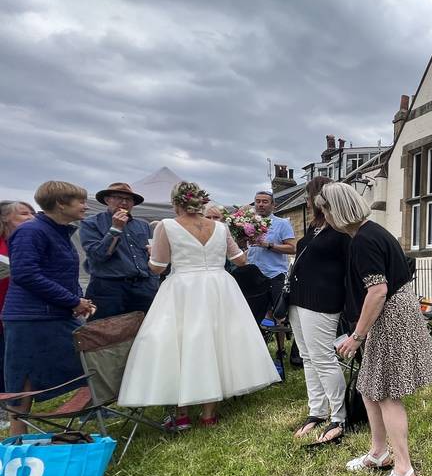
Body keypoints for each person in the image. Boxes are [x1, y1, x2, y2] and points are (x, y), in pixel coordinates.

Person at [118, 182, 279, 429]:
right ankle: (208, 414)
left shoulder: (166, 226)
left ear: (176, 203)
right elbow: (241, 259)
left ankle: (182, 414)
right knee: (217, 342)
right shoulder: (220, 227)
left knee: (180, 344)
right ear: (200, 202)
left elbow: (158, 267)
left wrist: (152, 254)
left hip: (183, 288)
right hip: (219, 287)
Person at [318, 183, 432, 476]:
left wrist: (357, 336)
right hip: (390, 313)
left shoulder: (364, 240)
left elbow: (378, 291)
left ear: (337, 210)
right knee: (369, 387)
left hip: (391, 315)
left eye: (325, 210)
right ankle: (379, 453)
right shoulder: (369, 233)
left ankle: (404, 469)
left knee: (386, 392)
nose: (324, 216)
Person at [3, 182, 93, 435]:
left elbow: (64, 274)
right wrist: (72, 301)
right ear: (61, 204)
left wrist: (77, 300)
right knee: (23, 377)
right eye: (80, 201)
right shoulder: (31, 232)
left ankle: (77, 419)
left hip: (56, 313)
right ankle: (17, 437)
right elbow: (26, 274)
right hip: (29, 317)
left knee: (88, 363)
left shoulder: (59, 232)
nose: (85, 206)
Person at [287, 177, 351, 442]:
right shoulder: (315, 227)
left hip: (322, 300)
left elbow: (349, 269)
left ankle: (339, 416)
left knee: (323, 357)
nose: (305, 200)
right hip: (299, 298)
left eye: (307, 195)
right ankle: (317, 411)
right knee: (308, 357)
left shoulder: (340, 229)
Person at [79, 182, 158, 321]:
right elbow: (98, 256)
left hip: (142, 289)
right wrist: (115, 229)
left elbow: (150, 255)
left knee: (142, 332)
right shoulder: (91, 223)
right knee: (104, 334)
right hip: (107, 289)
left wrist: (152, 283)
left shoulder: (143, 225)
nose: (124, 202)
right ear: (107, 200)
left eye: (128, 199)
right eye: (118, 197)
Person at [0, 201, 37, 431]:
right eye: (24, 213)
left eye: (33, 212)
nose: (31, 217)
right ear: (5, 218)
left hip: (18, 310)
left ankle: (12, 409)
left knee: (12, 361)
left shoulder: (28, 241)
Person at [246, 190, 296, 357]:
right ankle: (258, 351)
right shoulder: (247, 223)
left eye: (265, 201)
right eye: (258, 201)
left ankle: (280, 350)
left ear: (273, 205)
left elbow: (291, 247)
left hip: (275, 274)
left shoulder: (282, 223)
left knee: (278, 314)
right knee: (254, 313)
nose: (260, 204)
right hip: (253, 273)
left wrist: (268, 245)